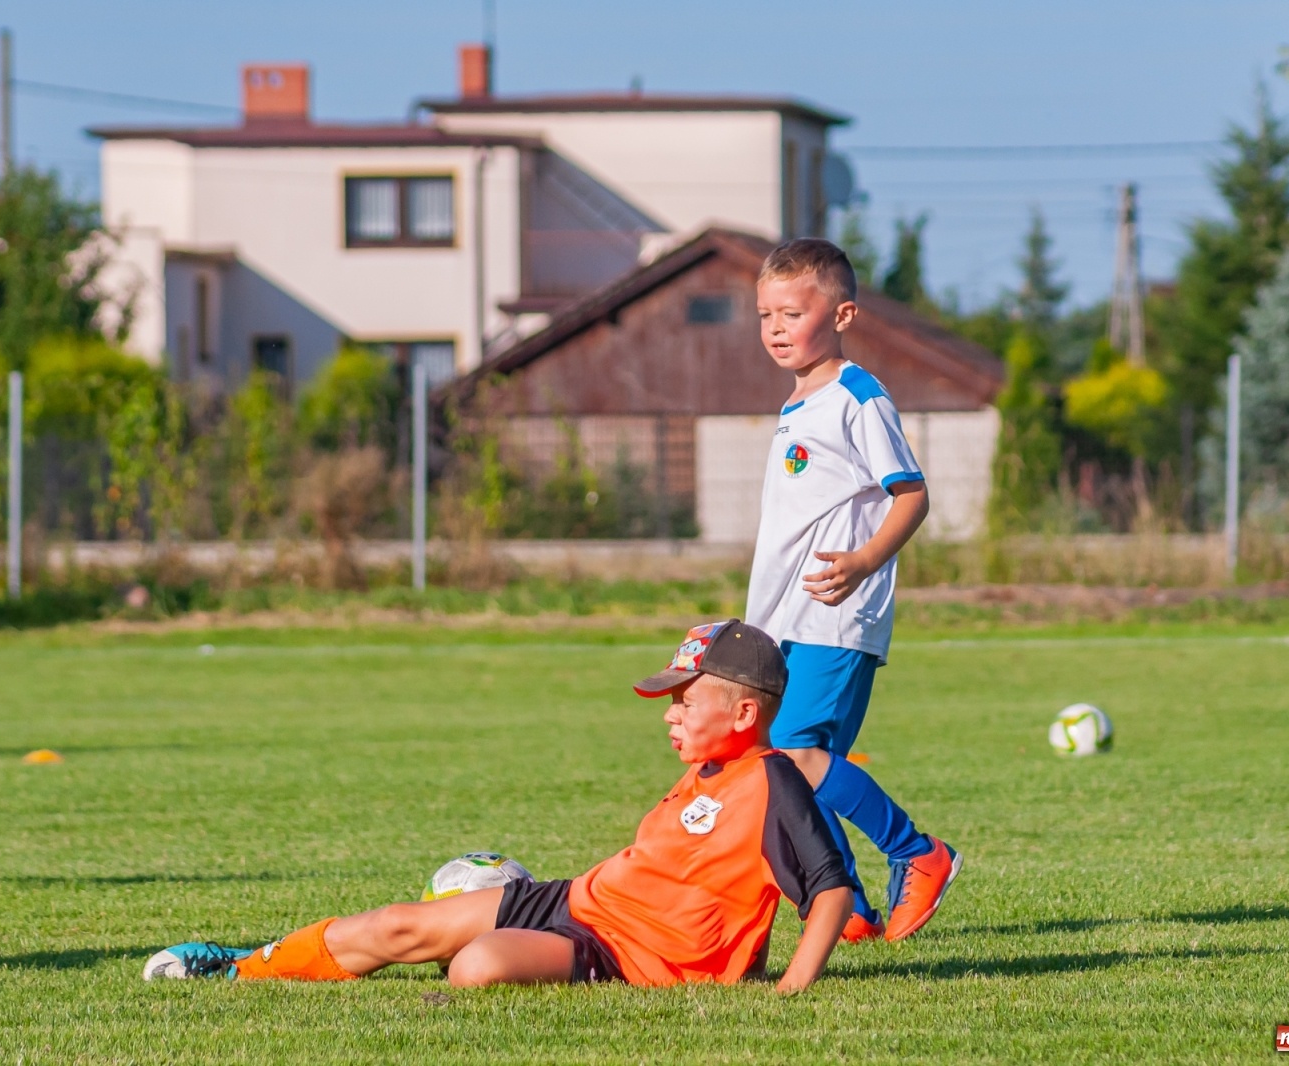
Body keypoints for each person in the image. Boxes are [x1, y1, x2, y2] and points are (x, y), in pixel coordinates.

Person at [144, 620, 854, 992]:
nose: (670, 714)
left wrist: (790, 984)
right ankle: (241, 966)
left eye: (685, 700)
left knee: (475, 967)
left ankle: (490, 939)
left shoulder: (771, 781)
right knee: (396, 924)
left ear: (743, 713)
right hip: (576, 903)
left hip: (618, 955)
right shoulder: (705, 769)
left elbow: (829, 890)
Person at [746, 237, 960, 943]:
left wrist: (864, 561)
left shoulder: (856, 396)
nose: (776, 327)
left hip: (834, 612)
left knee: (790, 751)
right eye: (765, 314)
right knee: (790, 769)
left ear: (841, 314)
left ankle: (919, 854)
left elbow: (912, 494)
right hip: (786, 618)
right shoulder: (796, 404)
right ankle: (855, 910)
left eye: (792, 312)